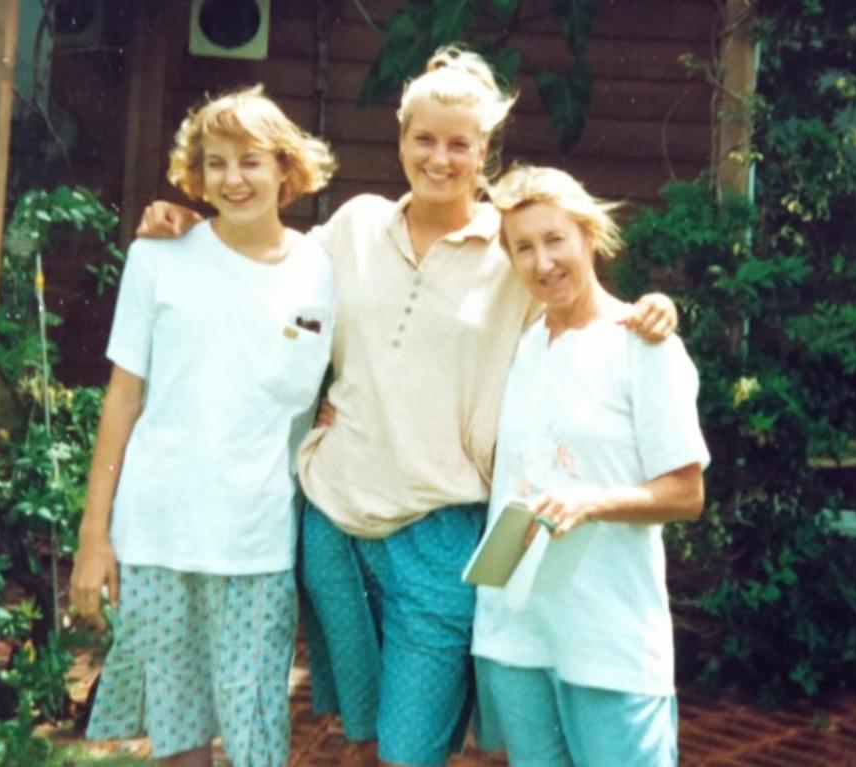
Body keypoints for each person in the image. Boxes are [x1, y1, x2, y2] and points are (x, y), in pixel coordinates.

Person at [137, 47, 677, 767]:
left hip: (442, 533)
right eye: (425, 138)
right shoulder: (354, 228)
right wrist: (189, 223)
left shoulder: (508, 249)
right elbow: (266, 263)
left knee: (408, 748)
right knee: (359, 735)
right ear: (401, 141)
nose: (441, 157)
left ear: (483, 151)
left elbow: (573, 285)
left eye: (460, 143)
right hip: (333, 524)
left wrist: (650, 307)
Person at [68, 85, 336, 767]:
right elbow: (122, 399)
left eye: (250, 161)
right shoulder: (157, 259)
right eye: (215, 163)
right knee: (176, 730)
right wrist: (94, 537)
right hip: (158, 530)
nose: (233, 178)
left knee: (254, 729)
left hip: (256, 534)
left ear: (285, 169)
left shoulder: (322, 265)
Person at [471, 165, 710, 767]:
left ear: (588, 236)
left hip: (611, 641)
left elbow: (687, 493)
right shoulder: (524, 345)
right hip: (517, 635)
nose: (542, 262)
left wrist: (590, 501)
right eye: (522, 248)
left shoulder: (643, 345)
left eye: (555, 240)